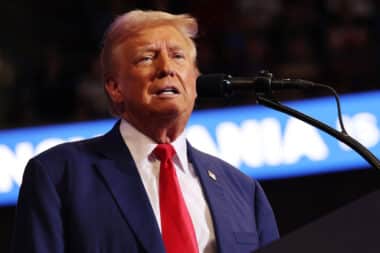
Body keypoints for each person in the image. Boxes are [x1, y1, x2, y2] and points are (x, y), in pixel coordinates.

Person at [11, 10, 279, 253]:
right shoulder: (59, 175)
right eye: (147, 58)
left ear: (196, 81)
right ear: (115, 87)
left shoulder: (243, 191)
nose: (166, 68)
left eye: (177, 56)